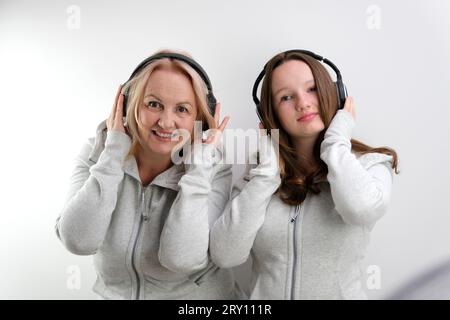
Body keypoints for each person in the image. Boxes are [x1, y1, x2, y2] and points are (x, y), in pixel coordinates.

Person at [210, 50, 399, 299]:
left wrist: (335, 142)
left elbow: (360, 209)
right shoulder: (257, 175)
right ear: (270, 115)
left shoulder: (370, 165)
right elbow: (226, 254)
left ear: (335, 93)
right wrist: (266, 175)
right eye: (286, 97)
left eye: (311, 89)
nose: (302, 102)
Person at [55, 50, 236, 299]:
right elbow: (78, 241)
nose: (165, 122)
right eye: (153, 104)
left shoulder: (213, 168)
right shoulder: (99, 152)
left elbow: (181, 258)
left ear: (200, 120)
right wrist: (114, 151)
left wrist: (198, 168)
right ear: (129, 104)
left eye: (182, 109)